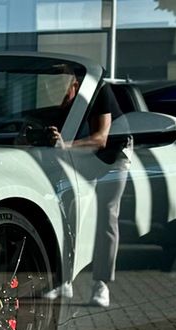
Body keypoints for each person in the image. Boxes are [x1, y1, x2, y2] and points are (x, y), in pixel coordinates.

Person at [39, 67, 129, 308]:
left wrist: (66, 145)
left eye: (63, 94)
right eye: (51, 92)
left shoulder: (100, 91)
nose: (58, 99)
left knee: (106, 215)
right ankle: (64, 280)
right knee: (70, 213)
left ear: (75, 85)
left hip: (113, 156)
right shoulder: (57, 102)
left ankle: (101, 284)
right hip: (81, 156)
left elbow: (101, 138)